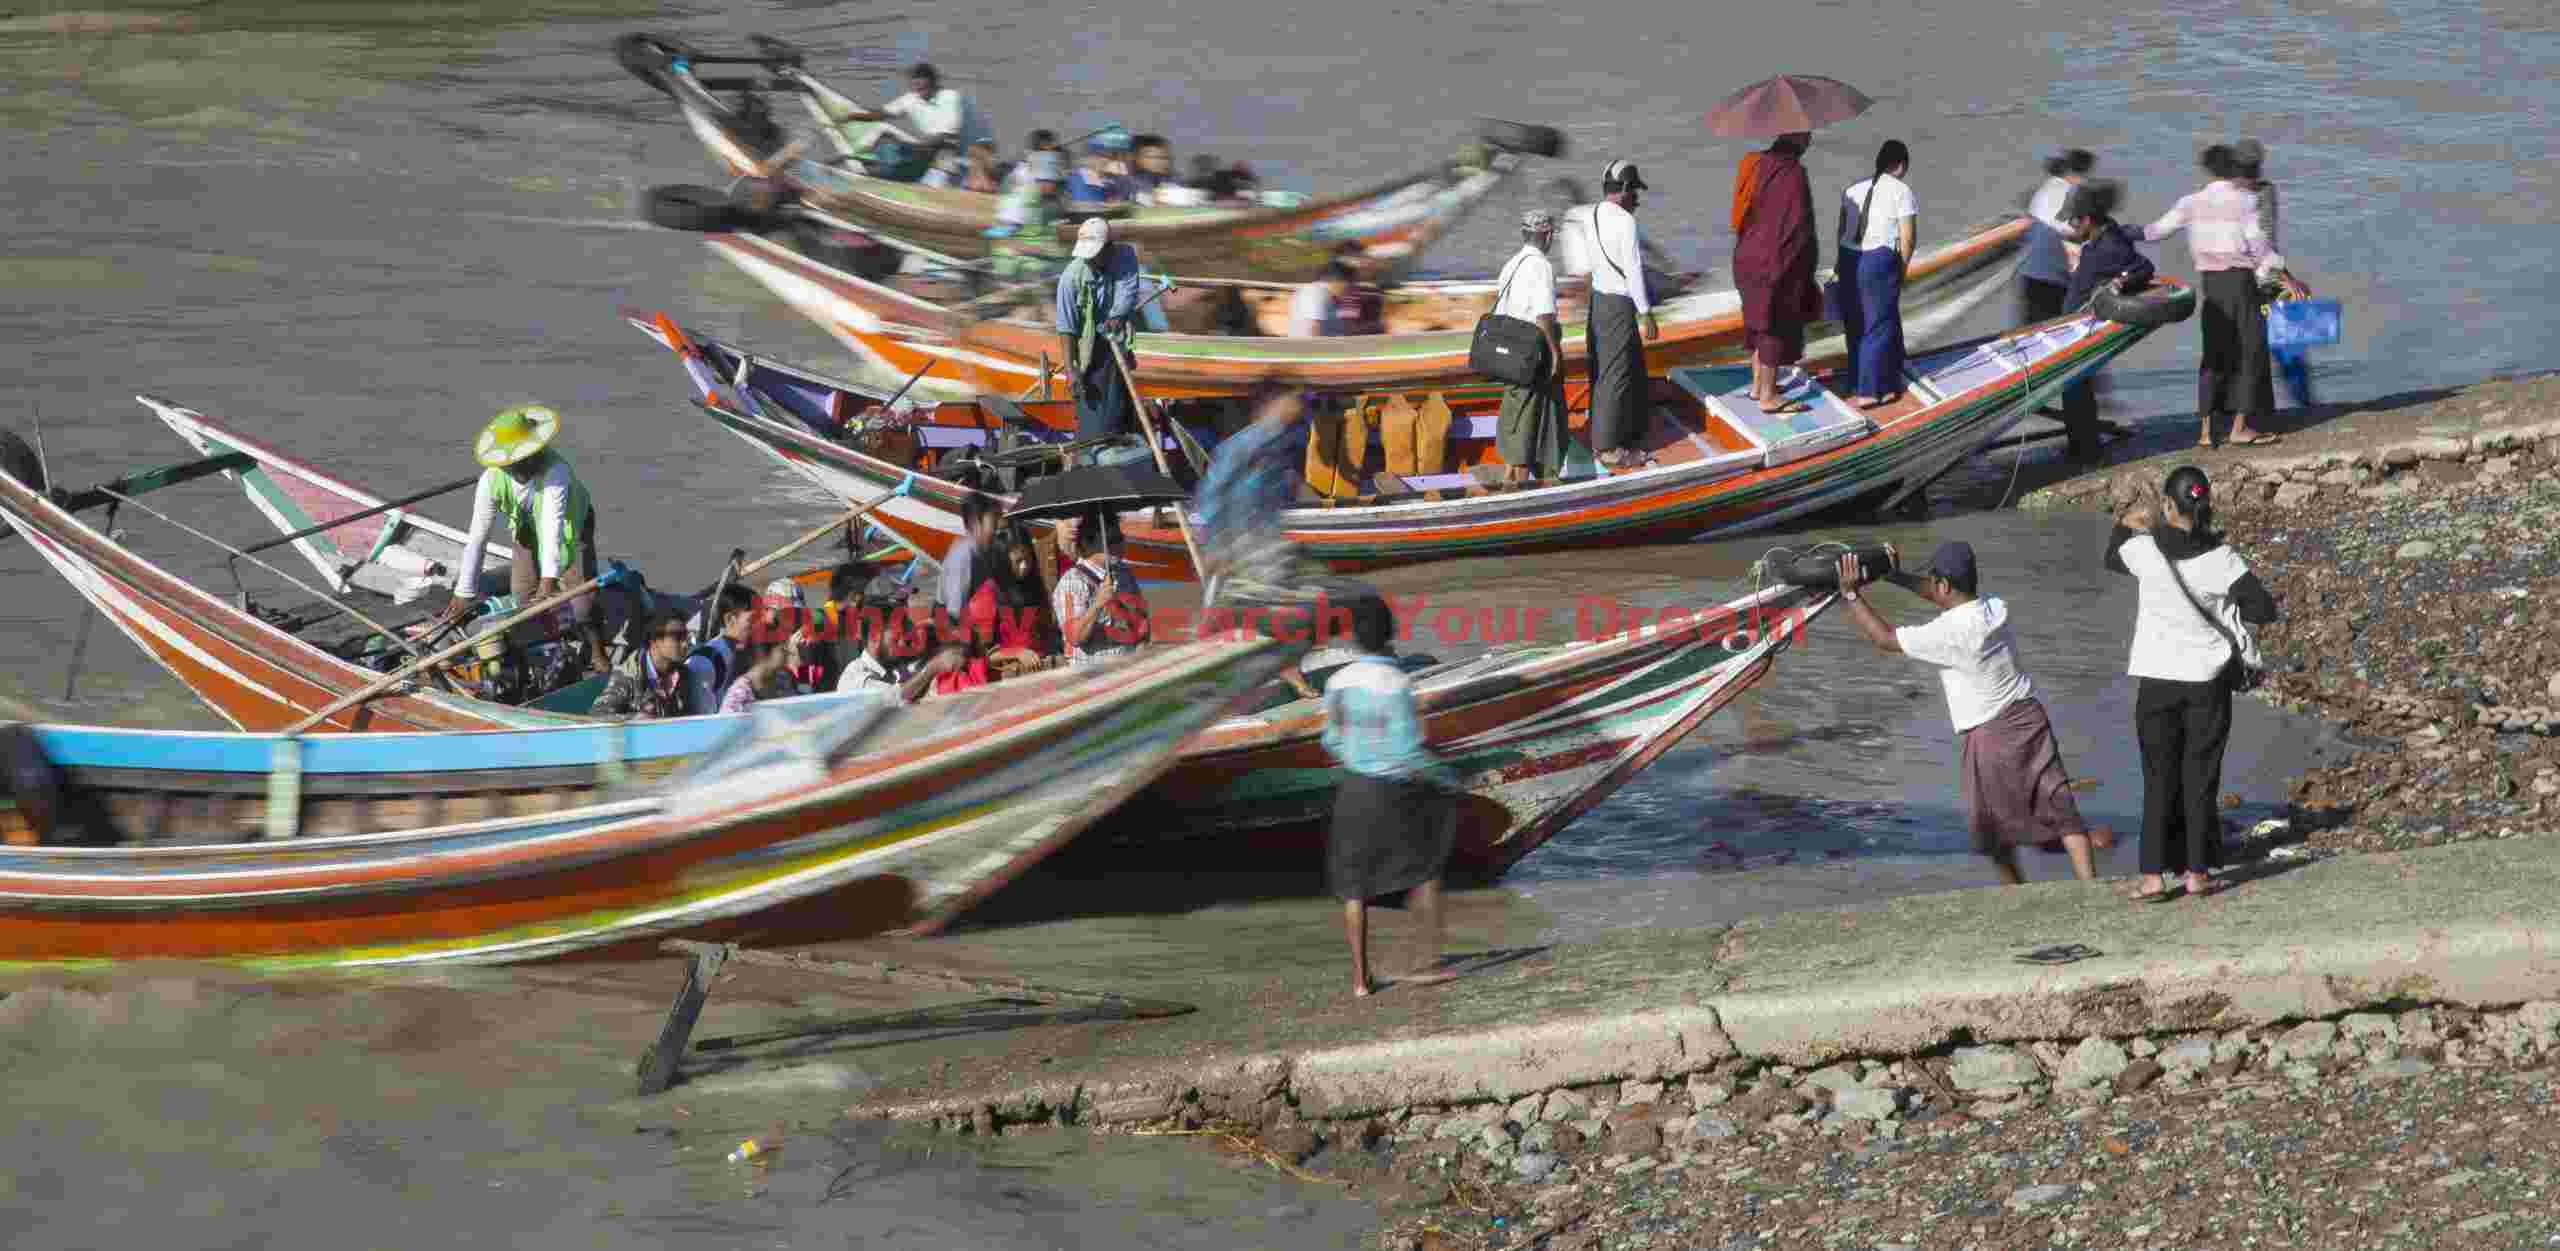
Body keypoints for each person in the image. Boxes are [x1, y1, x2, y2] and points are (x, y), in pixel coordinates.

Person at [1834, 543, 2114, 886]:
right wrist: (1893, 576)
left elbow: (1885, 639)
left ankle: (2015, 893)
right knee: (2059, 805)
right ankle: (2090, 885)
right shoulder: (1995, 608)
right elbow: (1940, 596)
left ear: (1944, 585)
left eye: (1932, 579)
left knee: (1989, 829)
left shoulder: (1947, 634)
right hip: (2029, 718)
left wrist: (1850, 595)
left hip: (1989, 734)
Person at [2107, 466, 2279, 902]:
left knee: (2157, 777)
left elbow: (2111, 558)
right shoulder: (2222, 558)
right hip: (2208, 682)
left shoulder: (2145, 551)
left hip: (2157, 681)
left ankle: (2151, 877)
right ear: (2205, 507)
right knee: (2200, 777)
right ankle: (2197, 874)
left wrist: (2123, 524)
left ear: (2167, 506)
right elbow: (2263, 610)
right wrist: (2229, 612)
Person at [1321, 592, 1459, 998]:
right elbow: (1408, 749)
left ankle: (1361, 982)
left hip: (1353, 789)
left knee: (1353, 888)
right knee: (1426, 868)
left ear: (1354, 640)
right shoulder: (1399, 684)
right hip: (1393, 793)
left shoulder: (1337, 682)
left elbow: (1330, 738)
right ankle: (1427, 963)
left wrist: (1356, 757)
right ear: (1390, 635)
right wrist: (1446, 776)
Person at [438, 404, 611, 672]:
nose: (520, 466)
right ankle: (549, 651)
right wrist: (464, 593)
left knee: (583, 602)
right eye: (513, 462)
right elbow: (477, 538)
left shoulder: (556, 472)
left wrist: (548, 583)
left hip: (570, 525)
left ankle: (596, 649)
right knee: (523, 597)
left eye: (526, 457)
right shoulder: (490, 481)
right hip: (527, 527)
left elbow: (553, 529)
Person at [2143, 145, 2285, 448]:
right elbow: (2259, 248)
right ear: (2235, 168)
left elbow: (2154, 231)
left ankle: (2206, 433)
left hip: (2211, 286)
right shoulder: (2246, 200)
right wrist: (2286, 275)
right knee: (2249, 352)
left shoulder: (2191, 202)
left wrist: (2119, 232)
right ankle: (2239, 429)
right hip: (2242, 283)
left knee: (2214, 355)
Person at [2056, 180, 2156, 462]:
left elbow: (2144, 267)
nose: (2072, 227)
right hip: (2075, 322)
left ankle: (2084, 451)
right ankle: (2083, 445)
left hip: (2080, 328)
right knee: (2077, 389)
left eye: (2074, 221)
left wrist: (2121, 282)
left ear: (2088, 220)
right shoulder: (2105, 235)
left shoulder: (2106, 247)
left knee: (2075, 390)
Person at [1733, 133, 1821, 416]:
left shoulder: (1755, 163)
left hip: (1747, 255)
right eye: (1807, 135)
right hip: (1775, 260)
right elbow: (1797, 226)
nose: (1810, 140)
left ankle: (1759, 386)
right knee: (1773, 324)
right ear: (1795, 137)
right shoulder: (1792, 173)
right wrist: (1805, 268)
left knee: (1758, 323)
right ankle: (1769, 397)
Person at [1581, 160, 1658, 470]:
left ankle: (1618, 431)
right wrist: (1646, 312)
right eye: (1635, 191)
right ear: (1625, 188)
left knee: (1605, 370)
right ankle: (1608, 448)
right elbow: (1634, 270)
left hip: (1598, 301)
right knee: (1617, 375)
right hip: (1618, 304)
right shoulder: (1626, 222)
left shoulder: (1592, 214)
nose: (1637, 198)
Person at [2232, 138, 2315, 410]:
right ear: (2258, 166)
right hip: (2265, 279)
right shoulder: (2265, 193)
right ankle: (2303, 402)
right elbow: (2264, 243)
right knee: (2288, 344)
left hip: (2230, 280)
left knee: (2243, 351)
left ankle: (2242, 409)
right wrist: (2287, 278)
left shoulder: (2219, 197)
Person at [1836, 140, 1916, 409]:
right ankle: (1871, 391)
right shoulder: (1902, 191)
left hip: (1848, 257)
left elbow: (1841, 230)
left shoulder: (1852, 190)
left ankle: (1857, 382)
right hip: (1878, 259)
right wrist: (1902, 270)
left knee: (1855, 322)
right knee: (1879, 325)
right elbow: (1908, 237)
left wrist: (1839, 265)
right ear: (1901, 165)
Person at [1491, 209, 1566, 481]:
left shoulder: (1510, 265)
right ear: (1547, 236)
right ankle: (1523, 479)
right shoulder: (1541, 265)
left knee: (1515, 405)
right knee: (1533, 412)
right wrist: (1554, 352)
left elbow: (1500, 311)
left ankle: (1511, 471)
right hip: (1533, 347)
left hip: (1510, 345)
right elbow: (1544, 313)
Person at [1055, 217, 1145, 443]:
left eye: (1096, 254)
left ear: (1108, 248)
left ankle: (1121, 438)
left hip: (1114, 342)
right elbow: (1067, 328)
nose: (1091, 260)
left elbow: (1128, 289)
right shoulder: (1070, 279)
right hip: (1089, 346)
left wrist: (1117, 315)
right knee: (1092, 406)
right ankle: (1091, 447)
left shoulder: (1125, 256)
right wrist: (1070, 369)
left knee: (1118, 403)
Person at [845, 63, 982, 182]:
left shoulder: (949, 96)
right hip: (924, 149)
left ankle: (883, 173)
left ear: (934, 83)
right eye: (916, 86)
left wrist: (919, 148)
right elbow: (882, 113)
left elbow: (947, 135)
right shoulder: (911, 98)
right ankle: (883, 169)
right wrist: (853, 116)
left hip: (946, 150)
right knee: (885, 138)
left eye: (923, 87)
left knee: (931, 159)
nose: (919, 91)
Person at [837, 573, 955, 703]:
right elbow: (893, 697)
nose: (904, 640)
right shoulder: (855, 678)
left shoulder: (893, 668)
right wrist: (933, 668)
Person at [1054, 512, 1148, 662]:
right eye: (1112, 540)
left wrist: (1142, 647)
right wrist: (1098, 604)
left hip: (1128, 665)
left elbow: (1141, 620)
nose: (1121, 545)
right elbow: (1075, 637)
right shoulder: (1073, 581)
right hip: (1092, 673)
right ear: (1088, 544)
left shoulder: (1124, 572)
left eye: (1121, 538)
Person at [2019, 149, 2096, 323]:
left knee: (2030, 324)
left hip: (2029, 269)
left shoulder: (2044, 190)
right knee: (2053, 323)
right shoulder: (2071, 194)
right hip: (2053, 274)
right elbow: (2070, 230)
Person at [590, 612, 690, 720]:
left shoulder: (683, 673)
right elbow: (597, 715)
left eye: (686, 637)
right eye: (677, 637)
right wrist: (634, 719)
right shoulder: (627, 676)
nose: (685, 644)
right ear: (654, 640)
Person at [680, 584, 756, 716]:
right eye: (752, 620)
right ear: (730, 619)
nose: (758, 627)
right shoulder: (705, 662)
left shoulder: (746, 654)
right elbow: (704, 720)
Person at [990, 149, 1067, 278]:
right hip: (1012, 265)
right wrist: (1040, 250)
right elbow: (1000, 240)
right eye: (1050, 180)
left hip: (1039, 261)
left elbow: (1049, 236)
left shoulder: (1049, 203)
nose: (1053, 185)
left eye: (1054, 181)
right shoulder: (1017, 200)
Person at [939, 493, 1002, 627]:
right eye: (994, 524)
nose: (998, 530)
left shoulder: (984, 550)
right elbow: (954, 611)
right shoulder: (964, 555)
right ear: (975, 523)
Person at [1330, 242, 1385, 336]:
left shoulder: (1373, 289)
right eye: (1365, 258)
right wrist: (1382, 327)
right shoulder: (1349, 292)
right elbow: (1349, 330)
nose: (1370, 262)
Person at [1064, 133, 1132, 208]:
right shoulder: (1077, 178)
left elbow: (1125, 199)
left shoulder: (1120, 180)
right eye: (1103, 155)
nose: (1107, 160)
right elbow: (1082, 204)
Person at [1289, 260, 1353, 338]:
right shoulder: (1318, 293)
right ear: (1337, 281)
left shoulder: (1326, 294)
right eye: (1348, 284)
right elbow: (1313, 329)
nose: (1348, 289)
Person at [1129, 134, 1176, 203]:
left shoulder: (1172, 179)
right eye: (1152, 157)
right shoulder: (1129, 182)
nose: (1159, 162)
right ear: (1136, 158)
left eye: (1164, 157)